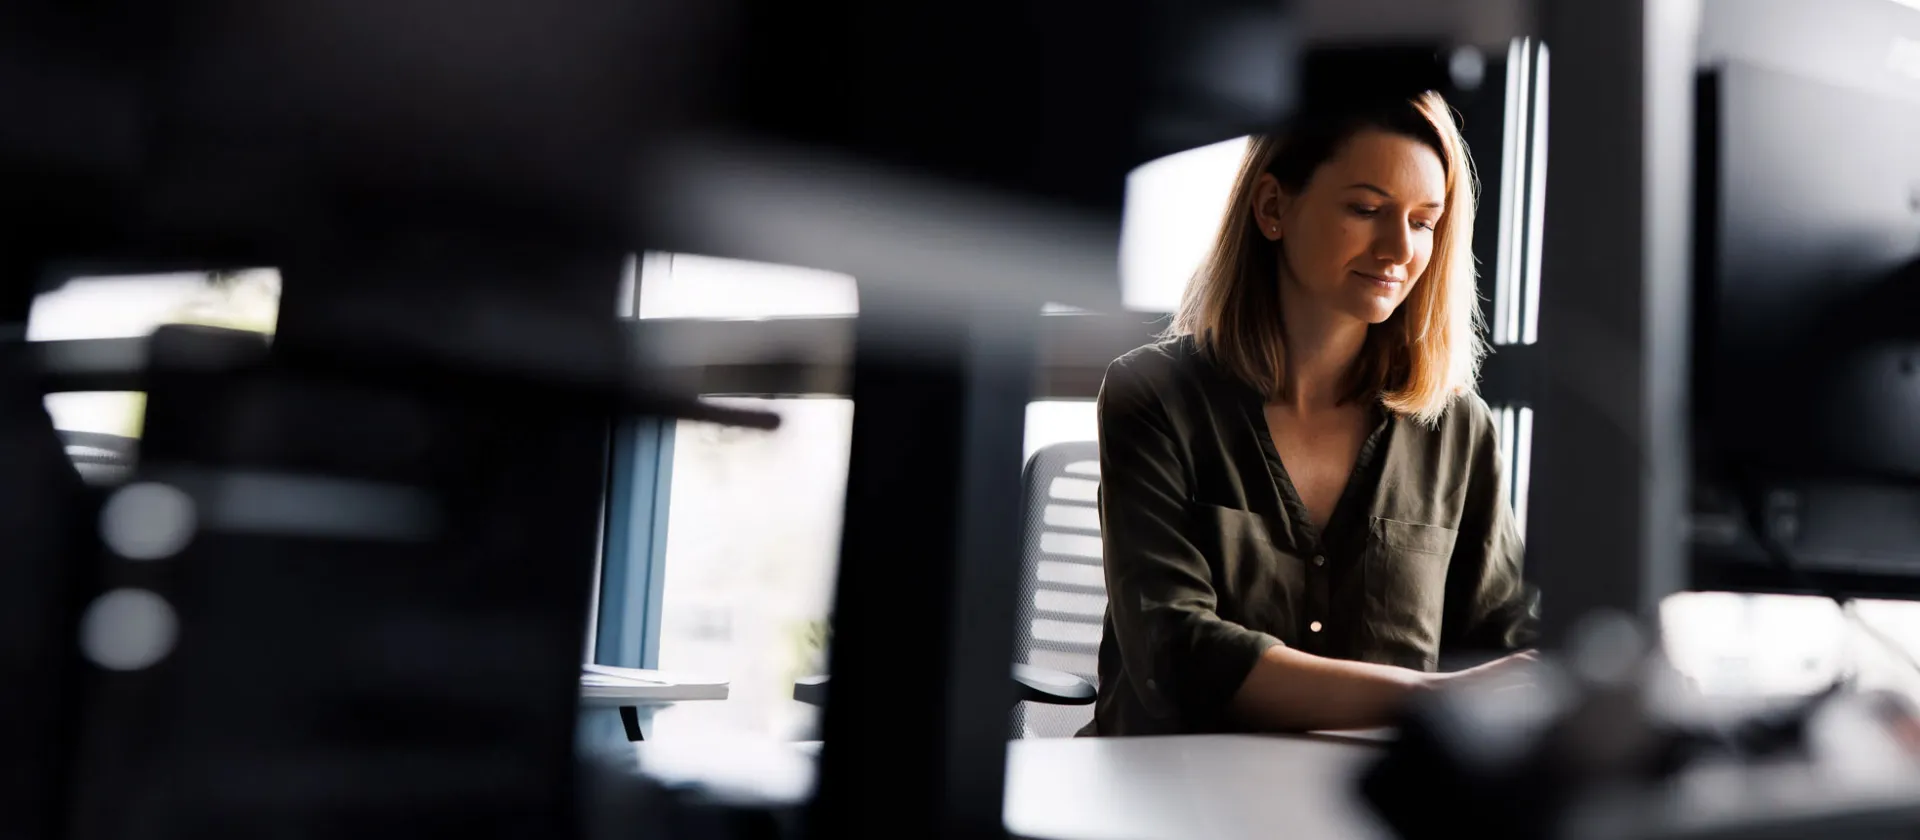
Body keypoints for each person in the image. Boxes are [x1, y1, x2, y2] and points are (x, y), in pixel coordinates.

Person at [1083, 91, 1537, 737]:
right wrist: (1426, 697)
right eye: (1366, 209)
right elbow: (1175, 653)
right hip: (1168, 794)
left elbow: (1506, 647)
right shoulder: (1151, 395)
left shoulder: (1459, 429)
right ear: (1273, 208)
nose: (1399, 250)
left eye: (1424, 221)